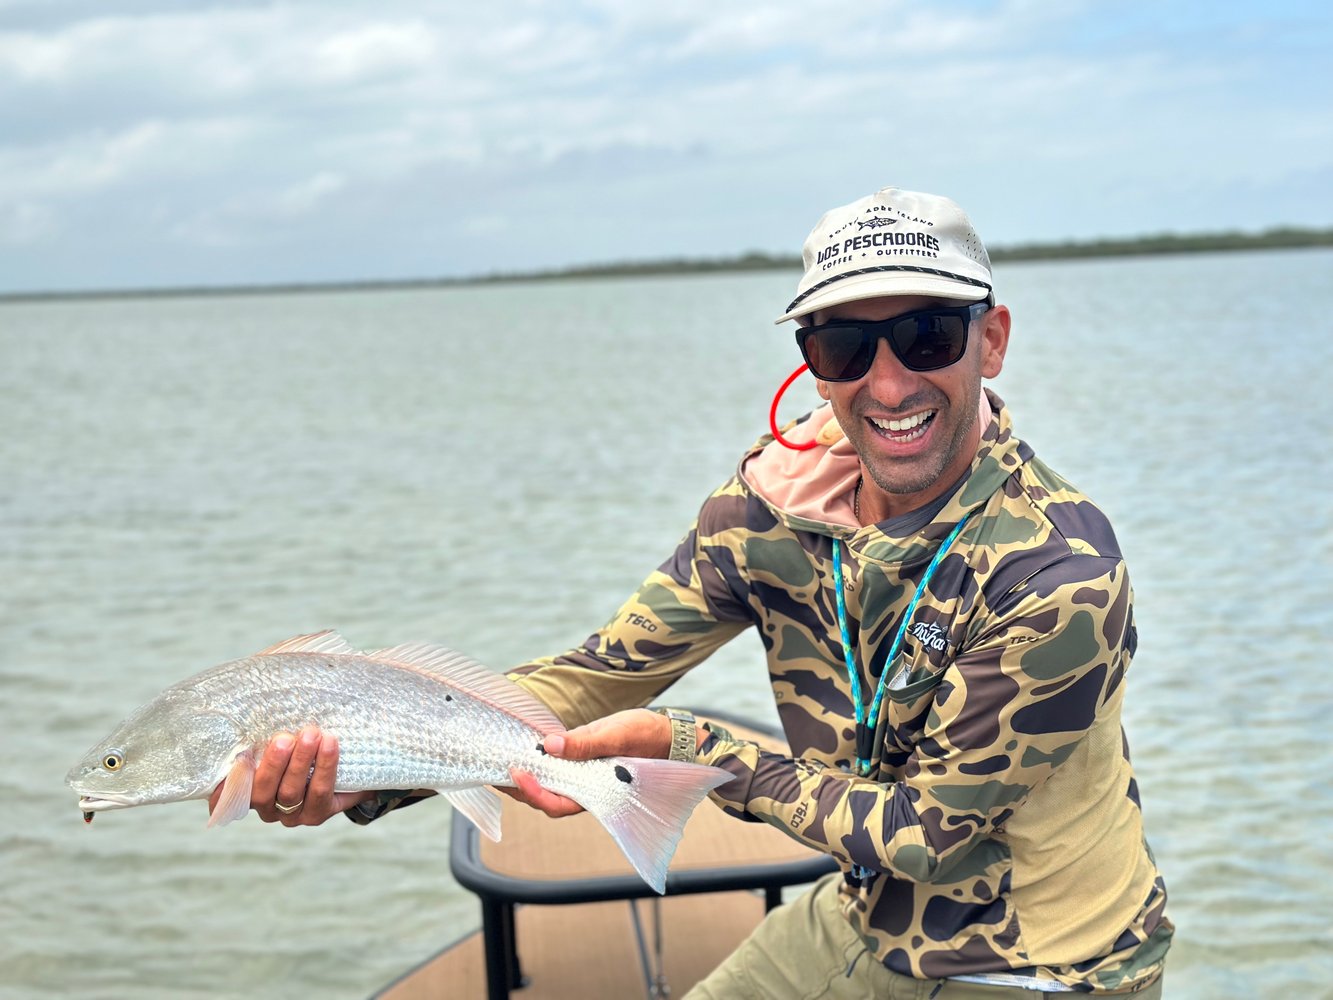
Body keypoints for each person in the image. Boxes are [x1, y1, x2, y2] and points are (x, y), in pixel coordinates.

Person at [223, 186, 1172, 996]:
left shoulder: (1058, 577)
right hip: (867, 919)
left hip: (1047, 961)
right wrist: (365, 771)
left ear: (990, 340)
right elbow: (597, 677)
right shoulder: (766, 510)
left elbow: (922, 834)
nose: (886, 384)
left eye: (925, 335)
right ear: (809, 359)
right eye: (844, 344)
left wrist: (694, 745)